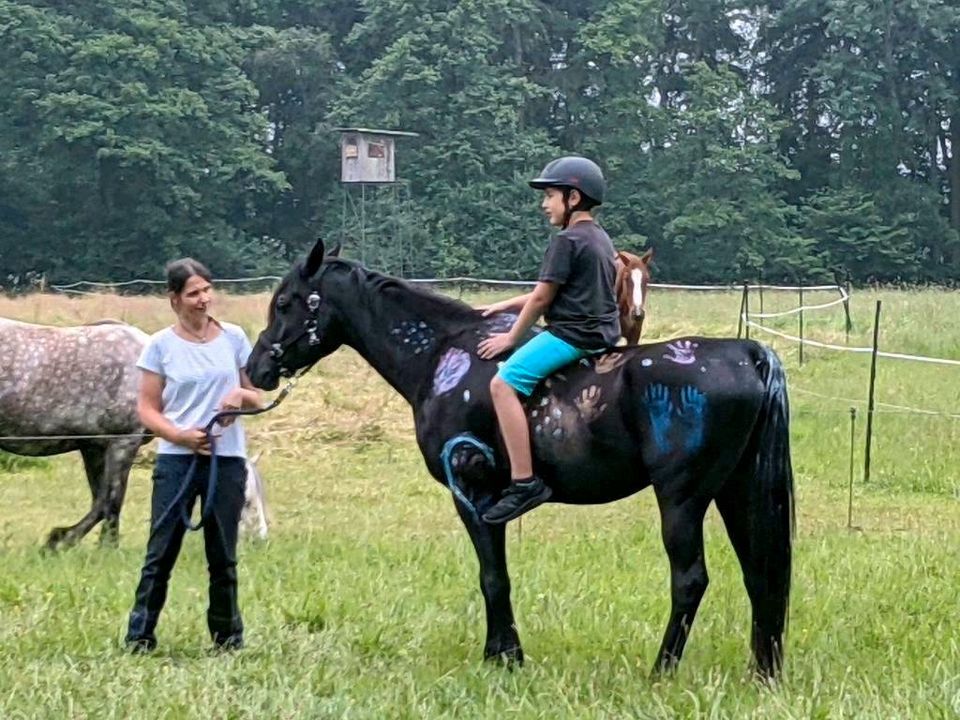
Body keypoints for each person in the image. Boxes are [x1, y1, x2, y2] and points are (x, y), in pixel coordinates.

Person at [125, 258, 261, 653]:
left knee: (223, 554)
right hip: (177, 460)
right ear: (174, 299)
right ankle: (139, 636)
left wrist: (240, 395)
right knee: (160, 552)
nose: (204, 300)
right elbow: (147, 409)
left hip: (227, 458)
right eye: (193, 293)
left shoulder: (234, 338)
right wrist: (180, 436)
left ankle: (228, 638)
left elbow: (257, 397)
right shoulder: (159, 346)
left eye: (207, 290)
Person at [477, 156, 620, 524]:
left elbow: (542, 300)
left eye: (550, 195)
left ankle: (524, 482)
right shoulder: (600, 238)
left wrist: (511, 337)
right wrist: (505, 303)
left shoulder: (567, 240)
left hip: (573, 336)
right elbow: (555, 290)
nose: (544, 205)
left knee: (503, 384)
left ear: (573, 198)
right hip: (602, 334)